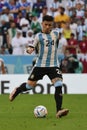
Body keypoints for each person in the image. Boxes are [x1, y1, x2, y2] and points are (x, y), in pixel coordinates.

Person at [9, 15, 69, 118]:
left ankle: (59, 110)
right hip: (40, 65)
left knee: (58, 84)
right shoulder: (38, 36)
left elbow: (55, 45)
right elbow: (32, 46)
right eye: (45, 24)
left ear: (52, 25)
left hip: (53, 65)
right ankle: (18, 90)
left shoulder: (56, 34)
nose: (47, 27)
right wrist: (30, 50)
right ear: (42, 24)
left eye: (49, 25)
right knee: (29, 86)